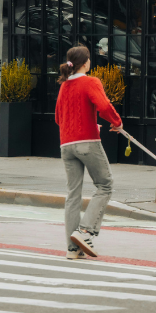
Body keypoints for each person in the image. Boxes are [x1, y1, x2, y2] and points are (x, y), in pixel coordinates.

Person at [54, 43, 123, 259]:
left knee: (73, 195)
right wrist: (117, 122)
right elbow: (104, 106)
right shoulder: (91, 81)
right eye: (89, 59)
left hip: (66, 145)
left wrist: (88, 124)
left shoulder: (64, 86)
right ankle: (84, 232)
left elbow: (58, 118)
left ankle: (72, 249)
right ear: (85, 63)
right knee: (105, 185)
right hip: (87, 143)